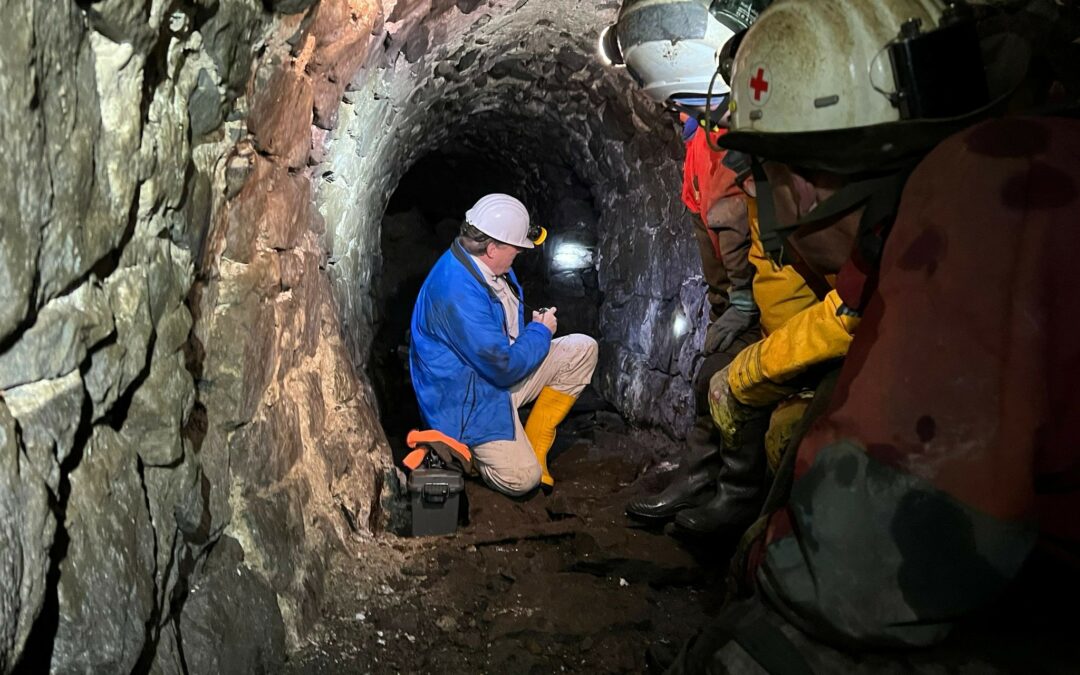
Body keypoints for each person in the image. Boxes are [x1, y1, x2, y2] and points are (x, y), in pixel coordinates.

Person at [662, 0, 1080, 667]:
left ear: (798, 183)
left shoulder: (983, 205)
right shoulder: (931, 214)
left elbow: (859, 571)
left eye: (759, 177)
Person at [602, 0, 768, 525]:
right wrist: (728, 303)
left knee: (726, 379)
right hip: (740, 301)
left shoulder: (751, 142)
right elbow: (709, 224)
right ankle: (700, 480)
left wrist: (746, 301)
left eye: (689, 106)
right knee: (709, 376)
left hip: (774, 306)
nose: (680, 116)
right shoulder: (703, 139)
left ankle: (731, 496)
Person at [409, 193, 598, 496]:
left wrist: (532, 331)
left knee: (582, 349)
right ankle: (463, 451)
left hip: (493, 377)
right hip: (465, 402)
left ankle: (536, 441)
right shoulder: (457, 292)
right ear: (492, 247)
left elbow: (502, 347)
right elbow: (504, 367)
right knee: (523, 479)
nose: (520, 254)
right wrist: (539, 333)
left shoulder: (493, 267)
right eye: (516, 248)